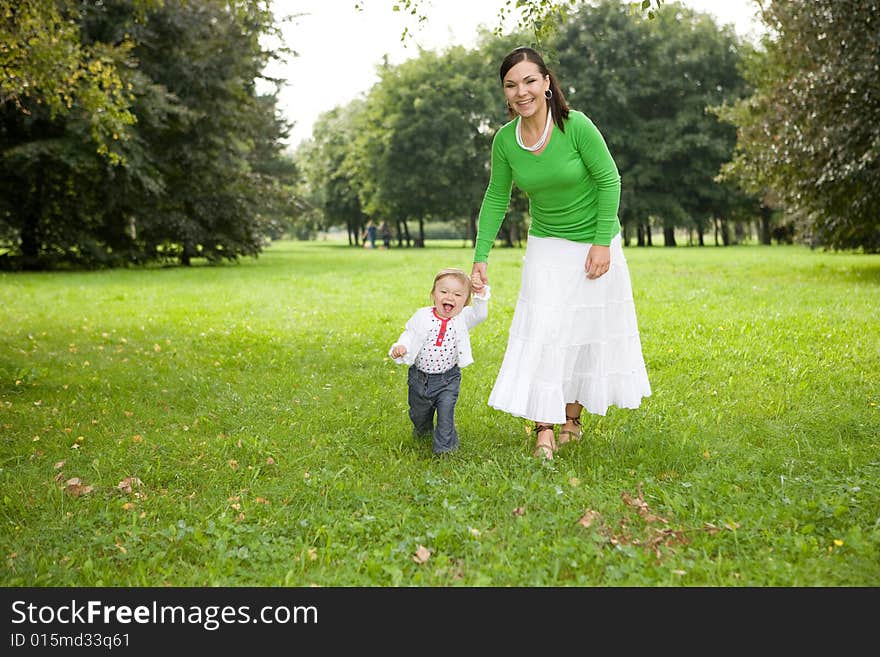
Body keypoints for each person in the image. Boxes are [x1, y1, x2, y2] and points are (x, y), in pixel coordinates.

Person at [470, 46, 651, 460]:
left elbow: (610, 181)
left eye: (530, 81)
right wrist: (481, 256)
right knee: (544, 332)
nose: (522, 91)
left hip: (595, 244)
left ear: (547, 83)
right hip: (547, 245)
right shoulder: (505, 141)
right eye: (511, 85)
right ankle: (544, 427)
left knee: (584, 336)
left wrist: (602, 243)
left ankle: (571, 420)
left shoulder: (576, 126)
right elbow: (497, 197)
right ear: (505, 93)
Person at [389, 268, 491, 455]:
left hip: (447, 380)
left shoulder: (463, 318)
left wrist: (480, 293)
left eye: (458, 294)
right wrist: (401, 346)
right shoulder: (422, 316)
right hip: (419, 378)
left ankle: (445, 450)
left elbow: (480, 314)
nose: (450, 297)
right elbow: (408, 333)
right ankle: (423, 430)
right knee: (419, 414)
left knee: (445, 416)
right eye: (444, 292)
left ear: (465, 301)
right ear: (434, 294)